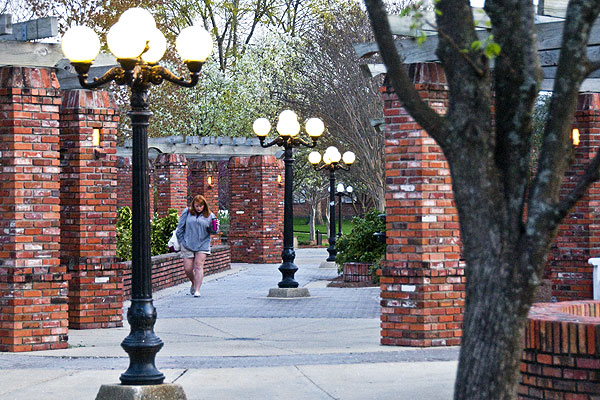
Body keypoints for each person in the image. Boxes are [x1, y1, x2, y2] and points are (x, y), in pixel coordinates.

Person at [176, 195, 219, 297]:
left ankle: (197, 290)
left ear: (204, 205)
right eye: (196, 206)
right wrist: (182, 241)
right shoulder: (187, 212)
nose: (199, 208)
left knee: (198, 266)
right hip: (187, 243)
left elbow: (214, 231)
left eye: (201, 206)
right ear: (193, 205)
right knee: (188, 268)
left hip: (202, 244)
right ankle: (194, 283)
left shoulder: (209, 215)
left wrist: (215, 226)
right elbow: (180, 228)